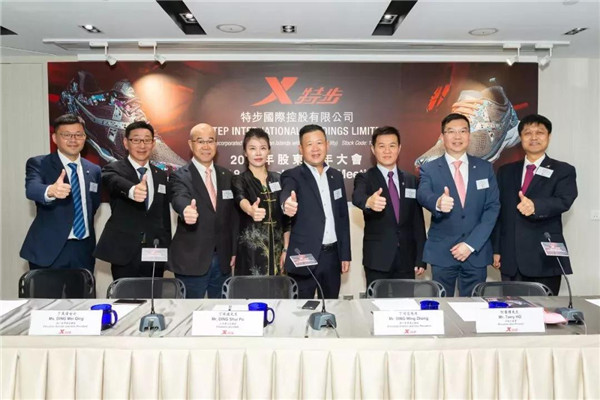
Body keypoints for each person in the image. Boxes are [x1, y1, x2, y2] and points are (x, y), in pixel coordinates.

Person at [492, 114, 577, 295]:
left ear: (549, 136)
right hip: (511, 258)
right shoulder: (506, 171)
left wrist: (536, 206)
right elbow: (499, 214)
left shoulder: (563, 170)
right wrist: (496, 249)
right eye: (528, 133)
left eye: (539, 132)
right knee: (512, 309)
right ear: (520, 138)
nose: (534, 137)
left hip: (543, 258)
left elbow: (564, 200)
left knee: (545, 310)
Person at [417, 113, 500, 296]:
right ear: (442, 136)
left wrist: (470, 245)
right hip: (442, 253)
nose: (457, 136)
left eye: (462, 131)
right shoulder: (429, 168)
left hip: (475, 252)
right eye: (451, 131)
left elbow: (492, 208)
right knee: (441, 306)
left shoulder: (485, 168)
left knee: (474, 306)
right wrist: (438, 202)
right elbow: (423, 194)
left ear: (469, 135)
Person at [20, 114, 101, 272]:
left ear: (85, 138)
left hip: (84, 250)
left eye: (78, 135)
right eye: (66, 135)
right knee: (47, 290)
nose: (73, 140)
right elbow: (32, 189)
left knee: (82, 289)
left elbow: (94, 204)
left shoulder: (94, 170)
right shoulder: (39, 163)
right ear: (55, 138)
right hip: (49, 249)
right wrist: (50, 191)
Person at [280, 124, 351, 299]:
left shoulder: (336, 176)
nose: (315, 148)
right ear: (300, 148)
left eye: (319, 143)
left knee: (331, 305)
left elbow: (342, 217)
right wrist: (286, 203)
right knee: (302, 309)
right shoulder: (292, 175)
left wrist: (345, 254)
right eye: (309, 144)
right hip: (304, 256)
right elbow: (287, 191)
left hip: (332, 256)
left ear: (327, 145)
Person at [168, 123, 238, 298]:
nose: (206, 146)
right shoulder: (180, 175)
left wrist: (234, 250)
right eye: (200, 141)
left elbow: (232, 217)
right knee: (189, 311)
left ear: (216, 144)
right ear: (191, 144)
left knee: (221, 311)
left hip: (222, 261)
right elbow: (178, 196)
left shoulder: (227, 176)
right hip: (192, 260)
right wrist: (185, 210)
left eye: (210, 141)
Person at [94, 121, 171, 280]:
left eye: (147, 140)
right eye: (136, 140)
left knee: (154, 294)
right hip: (125, 252)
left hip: (154, 251)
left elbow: (164, 217)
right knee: (125, 295)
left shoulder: (161, 175)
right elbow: (110, 179)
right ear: (125, 143)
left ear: (153, 143)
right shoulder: (114, 168)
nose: (142, 145)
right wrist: (132, 190)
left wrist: (166, 248)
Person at [352, 126, 426, 289]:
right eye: (381, 146)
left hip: (407, 260)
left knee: (405, 303)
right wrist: (368, 202)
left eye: (392, 145)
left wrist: (420, 257)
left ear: (399, 148)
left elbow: (417, 221)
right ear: (373, 149)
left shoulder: (411, 180)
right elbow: (357, 196)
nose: (387, 151)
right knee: (376, 303)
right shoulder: (365, 178)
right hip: (377, 260)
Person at [232, 128, 290, 276]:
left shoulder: (279, 179)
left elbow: (287, 220)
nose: (258, 153)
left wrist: (286, 249)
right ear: (245, 152)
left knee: (278, 289)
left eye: (263, 148)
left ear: (269, 151)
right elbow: (240, 198)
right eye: (252, 148)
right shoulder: (239, 180)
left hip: (278, 253)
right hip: (250, 255)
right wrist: (250, 210)